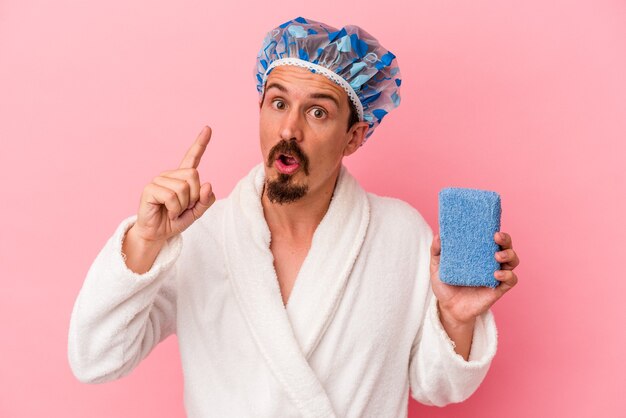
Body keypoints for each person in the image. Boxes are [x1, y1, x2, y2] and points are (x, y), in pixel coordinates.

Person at [68, 16, 520, 418]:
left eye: (318, 111)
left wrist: (456, 319)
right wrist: (145, 241)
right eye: (278, 103)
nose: (289, 129)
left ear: (354, 137)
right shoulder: (198, 234)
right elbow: (96, 360)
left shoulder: (400, 235)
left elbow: (438, 389)